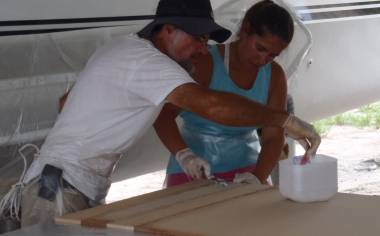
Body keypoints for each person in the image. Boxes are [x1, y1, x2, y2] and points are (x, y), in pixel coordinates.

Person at [19, 0, 319, 227]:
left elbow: (65, 103)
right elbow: (213, 105)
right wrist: (284, 119)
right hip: (57, 190)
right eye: (198, 40)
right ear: (168, 30)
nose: (203, 50)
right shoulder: (149, 62)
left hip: (68, 184)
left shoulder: (124, 49)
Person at [154, 0, 305, 187]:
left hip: (247, 172)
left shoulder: (274, 75)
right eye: (260, 48)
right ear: (245, 29)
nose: (263, 59)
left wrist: (257, 177)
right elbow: (163, 117)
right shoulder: (205, 62)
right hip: (194, 171)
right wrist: (184, 155)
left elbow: (273, 137)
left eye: (273, 55)